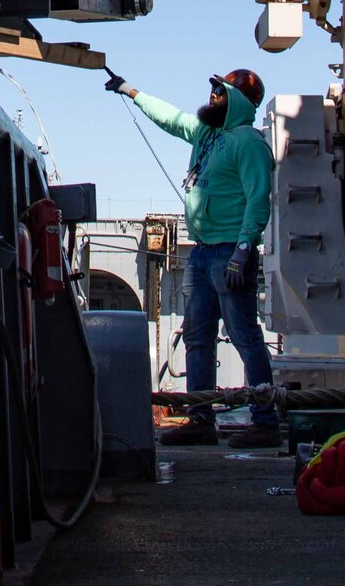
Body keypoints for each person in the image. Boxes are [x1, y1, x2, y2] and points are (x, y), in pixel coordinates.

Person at [105, 67, 279, 448]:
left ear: (237, 100)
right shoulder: (206, 134)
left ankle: (265, 421)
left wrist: (243, 250)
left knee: (244, 335)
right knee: (198, 337)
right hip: (202, 254)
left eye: (220, 90)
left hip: (230, 253)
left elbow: (257, 198)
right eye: (214, 89)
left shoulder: (248, 142)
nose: (213, 95)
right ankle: (201, 418)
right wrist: (130, 90)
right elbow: (171, 118)